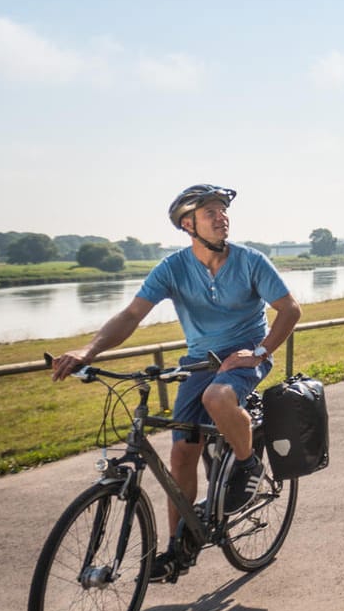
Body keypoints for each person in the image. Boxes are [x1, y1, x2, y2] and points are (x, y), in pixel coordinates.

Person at [50, 184, 301, 582]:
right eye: (211, 213)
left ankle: (247, 462)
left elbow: (289, 310)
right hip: (198, 363)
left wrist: (262, 350)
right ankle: (177, 549)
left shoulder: (252, 261)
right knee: (182, 453)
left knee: (219, 397)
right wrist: (89, 350)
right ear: (188, 224)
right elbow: (131, 315)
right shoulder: (172, 268)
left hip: (243, 357)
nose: (222, 218)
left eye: (224, 211)